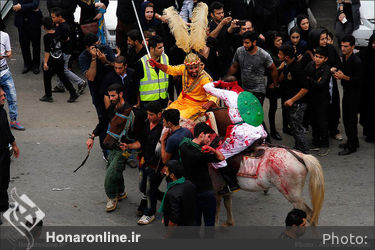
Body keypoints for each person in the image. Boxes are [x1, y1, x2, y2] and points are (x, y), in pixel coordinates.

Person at [204, 77, 267, 194]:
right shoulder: (244, 93)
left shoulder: (228, 94)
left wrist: (218, 83)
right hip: (259, 130)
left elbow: (206, 87)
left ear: (226, 86)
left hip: (243, 134)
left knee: (218, 156)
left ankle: (231, 185)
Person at [86, 84, 132, 212]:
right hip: (112, 145)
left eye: (113, 95)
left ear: (120, 94)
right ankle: (121, 192)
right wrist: (92, 136)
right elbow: (103, 122)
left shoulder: (129, 111)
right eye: (110, 95)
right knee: (115, 168)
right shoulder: (112, 108)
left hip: (124, 147)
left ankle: (112, 197)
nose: (110, 98)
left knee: (111, 172)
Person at [119, 101, 164, 225]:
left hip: (156, 165)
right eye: (148, 114)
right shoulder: (146, 124)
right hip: (144, 161)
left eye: (151, 115)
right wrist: (128, 146)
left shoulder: (163, 129)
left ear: (159, 114)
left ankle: (149, 213)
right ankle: (164, 197)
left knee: (150, 189)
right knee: (142, 187)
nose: (148, 117)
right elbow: (140, 142)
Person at [179, 122, 224, 232]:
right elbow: (221, 158)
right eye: (208, 136)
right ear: (201, 134)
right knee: (209, 223)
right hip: (205, 192)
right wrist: (213, 150)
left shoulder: (183, 145)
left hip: (190, 191)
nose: (209, 140)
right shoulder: (203, 154)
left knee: (195, 223)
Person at [148, 53, 218, 120]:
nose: (194, 70)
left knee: (178, 118)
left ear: (199, 65)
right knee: (166, 114)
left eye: (196, 67)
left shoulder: (204, 79)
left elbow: (214, 94)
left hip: (196, 106)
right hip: (181, 101)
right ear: (186, 67)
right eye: (191, 68)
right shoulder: (183, 68)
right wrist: (158, 65)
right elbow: (171, 69)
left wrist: (209, 103)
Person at [79, 33, 115, 160]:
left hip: (112, 92)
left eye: (99, 43)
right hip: (98, 95)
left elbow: (116, 67)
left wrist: (105, 61)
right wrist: (94, 59)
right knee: (103, 122)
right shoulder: (83, 57)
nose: (99, 46)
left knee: (116, 120)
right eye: (95, 45)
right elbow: (90, 77)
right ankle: (106, 152)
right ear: (88, 48)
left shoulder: (106, 49)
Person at [333, 35, 362, 155]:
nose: (343, 48)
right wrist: (337, 70)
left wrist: (343, 77)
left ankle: (352, 146)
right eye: (342, 46)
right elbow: (342, 68)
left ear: (352, 47)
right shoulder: (345, 58)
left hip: (354, 95)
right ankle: (353, 141)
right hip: (347, 92)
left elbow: (359, 81)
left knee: (351, 120)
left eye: (346, 46)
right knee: (346, 119)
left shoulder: (356, 61)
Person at [278, 44, 309, 154]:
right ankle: (298, 147)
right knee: (294, 127)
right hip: (290, 102)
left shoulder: (297, 68)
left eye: (280, 54)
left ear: (286, 56)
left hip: (298, 104)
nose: (278, 55)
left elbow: (305, 89)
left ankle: (305, 152)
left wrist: (292, 100)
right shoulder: (287, 65)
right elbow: (281, 79)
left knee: (297, 129)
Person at [39, 17, 79, 103]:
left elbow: (47, 51)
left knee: (47, 77)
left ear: (44, 27)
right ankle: (73, 93)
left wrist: (45, 62)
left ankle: (48, 95)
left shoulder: (46, 37)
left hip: (51, 60)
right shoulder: (58, 32)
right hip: (60, 58)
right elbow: (67, 38)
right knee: (62, 76)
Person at [50, 7, 87, 95]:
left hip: (65, 51)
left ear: (60, 17)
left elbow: (65, 39)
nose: (53, 19)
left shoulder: (64, 27)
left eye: (54, 17)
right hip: (64, 51)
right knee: (60, 68)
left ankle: (81, 82)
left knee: (63, 70)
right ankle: (60, 85)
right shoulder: (61, 25)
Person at [158, 160, 197, 238]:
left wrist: (168, 235)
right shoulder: (189, 184)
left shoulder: (172, 193)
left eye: (167, 172)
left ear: (172, 176)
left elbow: (174, 219)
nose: (165, 174)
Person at [305, 46, 331, 156]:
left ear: (325, 59)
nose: (317, 59)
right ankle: (315, 142)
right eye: (316, 56)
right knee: (313, 121)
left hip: (322, 99)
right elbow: (304, 76)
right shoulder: (310, 65)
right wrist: (315, 81)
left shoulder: (326, 69)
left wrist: (311, 80)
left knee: (322, 122)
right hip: (311, 98)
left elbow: (321, 85)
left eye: (320, 57)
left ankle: (325, 144)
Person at [0, 86, 20, 224]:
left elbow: (6, 130)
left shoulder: (2, 112)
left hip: (3, 152)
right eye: (1, 94)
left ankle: (3, 205)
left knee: (4, 179)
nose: (4, 95)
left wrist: (14, 144)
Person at [134, 35, 170, 109]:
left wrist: (171, 97)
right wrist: (138, 102)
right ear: (151, 49)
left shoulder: (165, 58)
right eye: (159, 48)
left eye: (162, 47)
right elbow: (135, 85)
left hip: (163, 100)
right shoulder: (141, 62)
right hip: (148, 102)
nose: (162, 50)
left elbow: (170, 79)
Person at [0, 28, 26, 130]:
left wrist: (8, 54)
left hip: (5, 72)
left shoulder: (5, 36)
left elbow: (9, 51)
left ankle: (13, 121)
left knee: (12, 98)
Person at [13, 0, 43, 74]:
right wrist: (29, 6)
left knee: (36, 45)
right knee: (24, 45)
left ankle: (36, 65)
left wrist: (21, 6)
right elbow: (15, 6)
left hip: (34, 22)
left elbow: (35, 4)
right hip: (21, 23)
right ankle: (27, 64)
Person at [265, 31, 284, 140]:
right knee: (273, 107)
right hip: (272, 83)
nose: (280, 42)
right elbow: (269, 70)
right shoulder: (268, 54)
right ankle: (273, 130)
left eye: (281, 39)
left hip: (283, 82)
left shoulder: (282, 50)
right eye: (278, 40)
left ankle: (286, 126)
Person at [358, 34, 375, 143]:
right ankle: (370, 134)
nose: (374, 45)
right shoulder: (365, 55)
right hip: (368, 90)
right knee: (368, 111)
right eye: (373, 43)